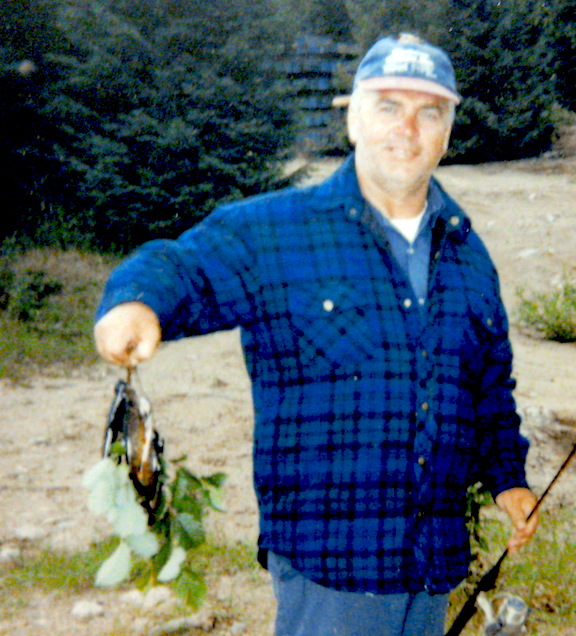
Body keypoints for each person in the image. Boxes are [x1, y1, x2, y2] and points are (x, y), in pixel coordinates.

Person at [94, 33, 538, 636]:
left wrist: (508, 478)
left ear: (447, 132)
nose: (408, 128)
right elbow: (180, 265)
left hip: (432, 563)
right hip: (331, 568)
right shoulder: (276, 230)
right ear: (353, 118)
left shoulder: (467, 252)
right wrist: (136, 306)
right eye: (387, 106)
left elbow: (489, 383)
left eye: (428, 111)